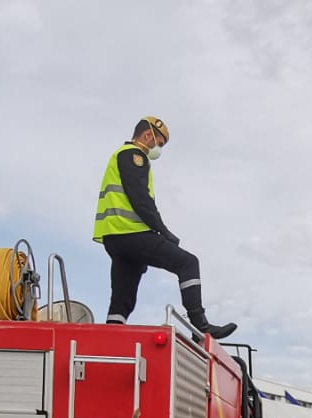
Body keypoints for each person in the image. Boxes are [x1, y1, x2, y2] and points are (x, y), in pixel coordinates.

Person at [90, 116, 236, 341]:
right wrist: (163, 232)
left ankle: (111, 337)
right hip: (131, 232)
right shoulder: (134, 156)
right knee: (188, 263)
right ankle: (201, 326)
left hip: (114, 237)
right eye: (159, 143)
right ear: (147, 136)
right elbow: (141, 200)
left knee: (122, 297)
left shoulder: (118, 156)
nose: (158, 149)